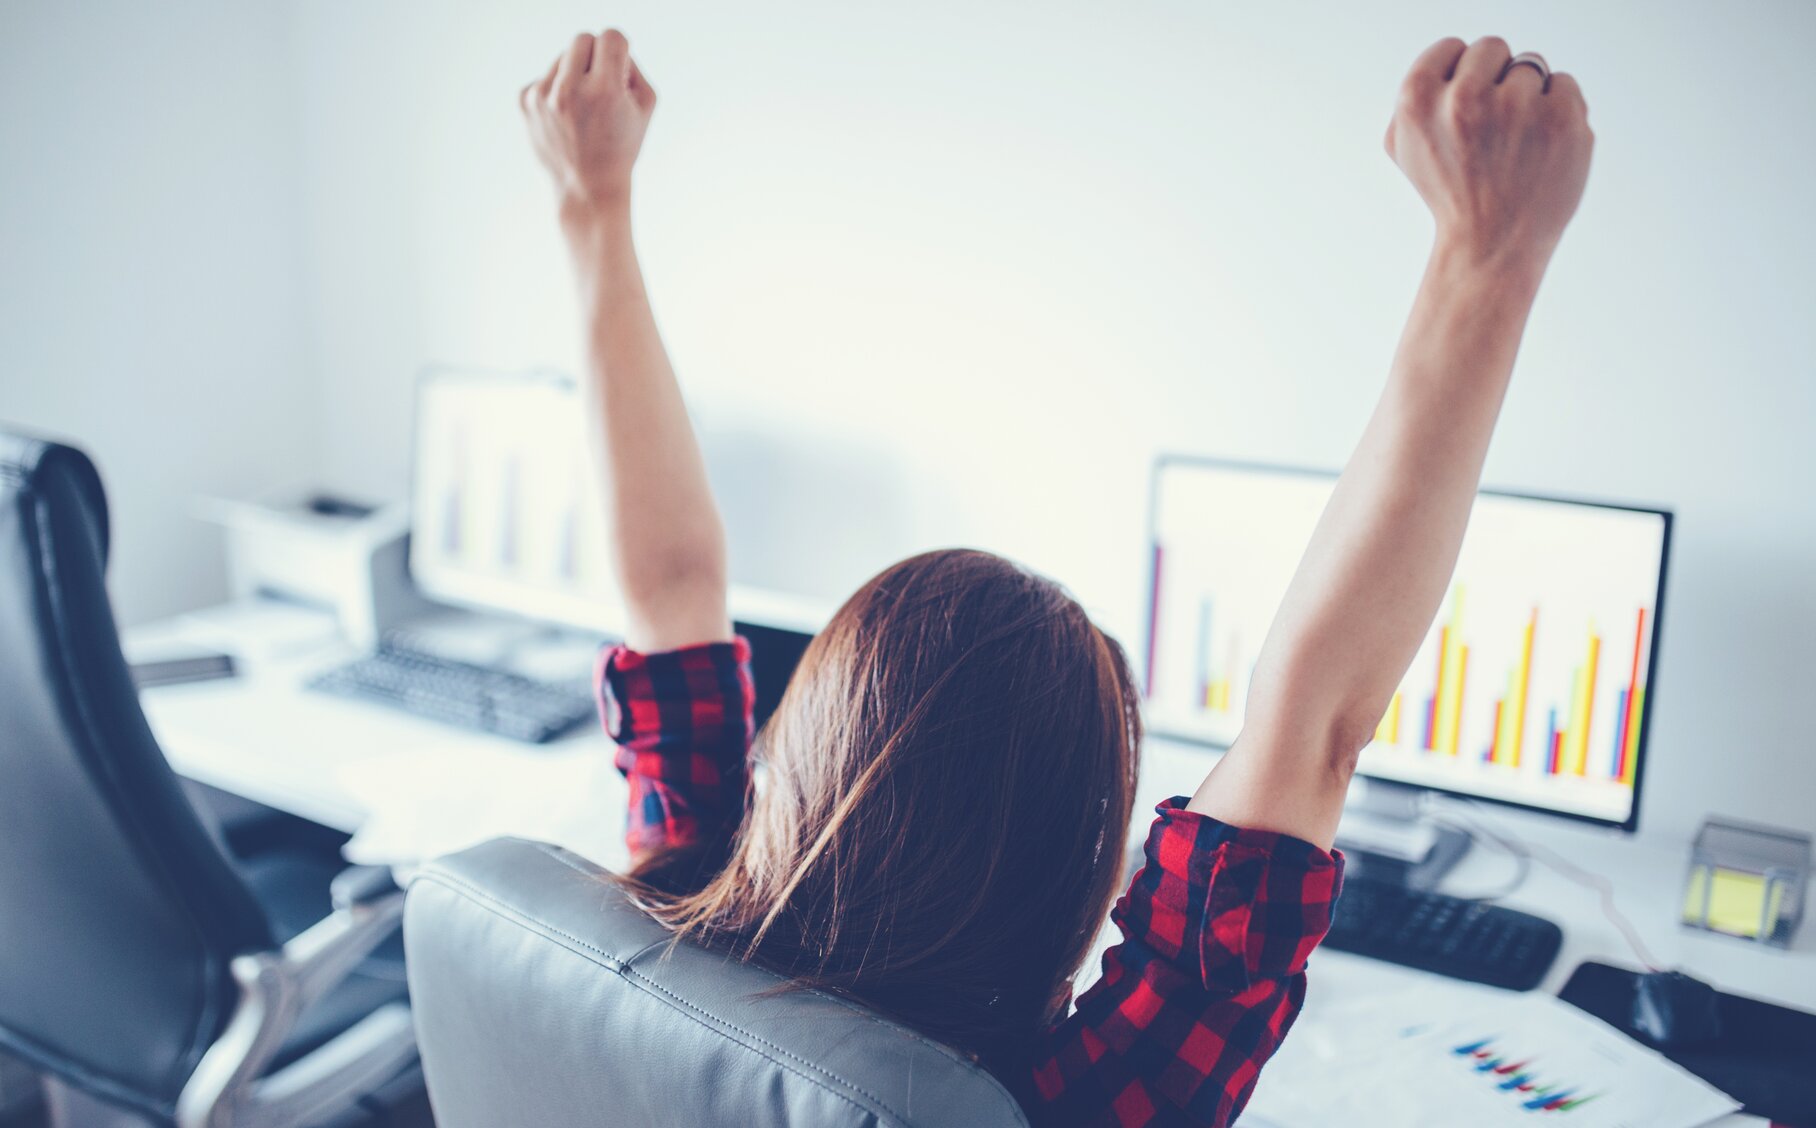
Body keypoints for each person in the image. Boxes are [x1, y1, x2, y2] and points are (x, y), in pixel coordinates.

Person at [520, 30, 1592, 1127]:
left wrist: (591, 203)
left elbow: (671, 588)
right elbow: (1310, 726)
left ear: (799, 748)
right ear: (1086, 880)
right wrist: (1488, 252)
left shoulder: (667, 909)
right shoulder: (1068, 1108)